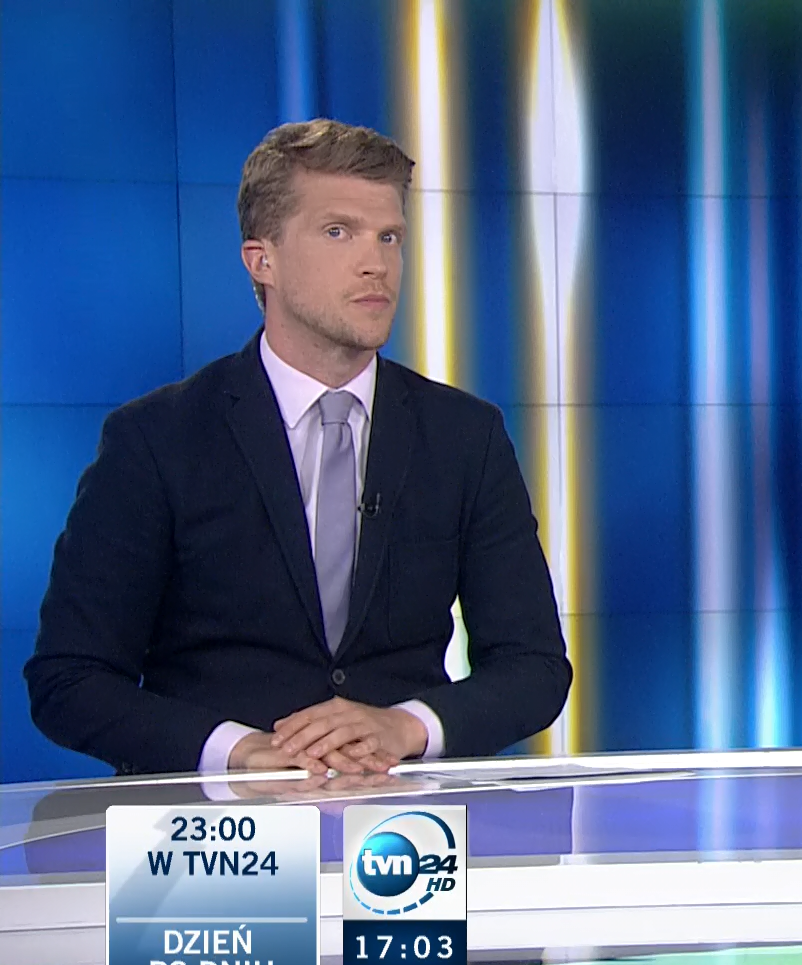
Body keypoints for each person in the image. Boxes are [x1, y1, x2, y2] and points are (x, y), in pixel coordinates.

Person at [26, 118, 572, 777]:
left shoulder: (464, 436)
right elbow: (70, 679)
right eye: (338, 232)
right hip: (218, 824)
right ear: (263, 260)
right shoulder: (157, 439)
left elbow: (535, 668)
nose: (375, 263)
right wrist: (239, 750)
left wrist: (406, 726)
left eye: (389, 236)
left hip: (401, 821)